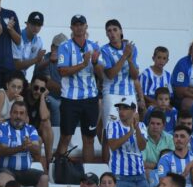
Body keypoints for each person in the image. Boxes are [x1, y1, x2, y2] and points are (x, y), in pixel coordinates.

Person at [55, 14, 104, 163]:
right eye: (75, 25)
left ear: (86, 26)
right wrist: (83, 64)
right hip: (70, 99)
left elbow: (101, 74)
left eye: (81, 24)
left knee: (89, 139)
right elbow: (62, 71)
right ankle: (57, 169)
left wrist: (95, 63)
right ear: (71, 28)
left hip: (90, 98)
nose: (79, 27)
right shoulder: (64, 46)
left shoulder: (94, 46)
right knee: (66, 136)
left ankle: (88, 174)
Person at [0, 101, 49, 187]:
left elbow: (36, 149)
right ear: (10, 114)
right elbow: (2, 150)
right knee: (4, 182)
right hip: (5, 169)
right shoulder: (2, 128)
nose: (18, 116)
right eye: (15, 112)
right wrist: (21, 147)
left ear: (26, 116)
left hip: (25, 171)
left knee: (43, 178)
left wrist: (29, 145)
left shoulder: (31, 129)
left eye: (21, 113)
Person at [106, 98, 148, 187]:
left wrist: (137, 129)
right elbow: (113, 146)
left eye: (125, 108)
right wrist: (131, 132)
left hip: (140, 177)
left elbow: (142, 146)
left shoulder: (142, 126)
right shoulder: (112, 125)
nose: (121, 111)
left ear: (134, 110)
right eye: (120, 108)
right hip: (121, 177)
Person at [99, 19, 142, 134]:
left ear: (121, 31)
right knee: (109, 131)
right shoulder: (104, 50)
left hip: (129, 93)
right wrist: (124, 57)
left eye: (115, 30)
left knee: (132, 128)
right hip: (111, 94)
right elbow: (110, 75)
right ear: (106, 34)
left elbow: (134, 76)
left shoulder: (131, 48)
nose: (112, 33)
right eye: (109, 31)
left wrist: (130, 60)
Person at [34, 33, 69, 126]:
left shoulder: (69, 60)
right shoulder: (46, 59)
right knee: (57, 105)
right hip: (48, 95)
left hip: (65, 96)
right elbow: (49, 84)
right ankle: (56, 134)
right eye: (60, 48)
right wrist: (68, 91)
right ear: (52, 47)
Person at [22, 73, 55, 162]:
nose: (38, 91)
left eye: (42, 89)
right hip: (24, 130)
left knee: (46, 123)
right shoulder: (23, 96)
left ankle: (49, 160)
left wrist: (42, 97)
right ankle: (38, 166)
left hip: (36, 129)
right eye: (36, 87)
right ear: (31, 85)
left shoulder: (43, 99)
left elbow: (44, 117)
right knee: (38, 139)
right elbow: (24, 121)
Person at [12, 11, 48, 75]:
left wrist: (50, 60)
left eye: (39, 25)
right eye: (33, 24)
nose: (36, 28)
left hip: (21, 75)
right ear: (27, 24)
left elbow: (39, 64)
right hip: (9, 73)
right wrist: (36, 59)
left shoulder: (39, 42)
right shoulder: (16, 37)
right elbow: (16, 66)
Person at [143, 110, 174, 176]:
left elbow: (173, 161)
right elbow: (142, 163)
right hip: (148, 172)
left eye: (158, 124)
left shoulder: (170, 138)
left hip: (167, 171)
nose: (155, 127)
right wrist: (161, 165)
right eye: (152, 123)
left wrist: (155, 166)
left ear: (163, 126)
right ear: (148, 124)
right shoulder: (142, 137)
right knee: (147, 172)